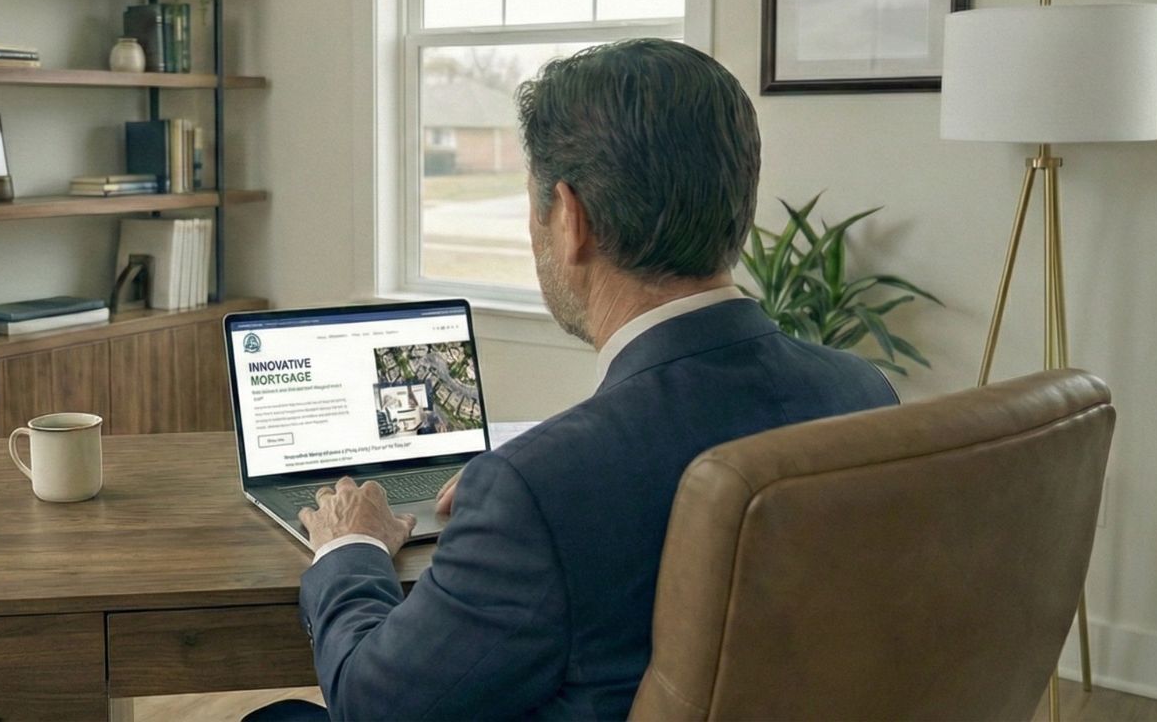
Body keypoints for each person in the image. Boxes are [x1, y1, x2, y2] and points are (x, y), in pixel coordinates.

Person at [263, 39, 899, 721]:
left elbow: (372, 704)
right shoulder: (863, 396)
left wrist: (350, 547)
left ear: (571, 219)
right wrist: (520, 472)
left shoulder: (539, 490)